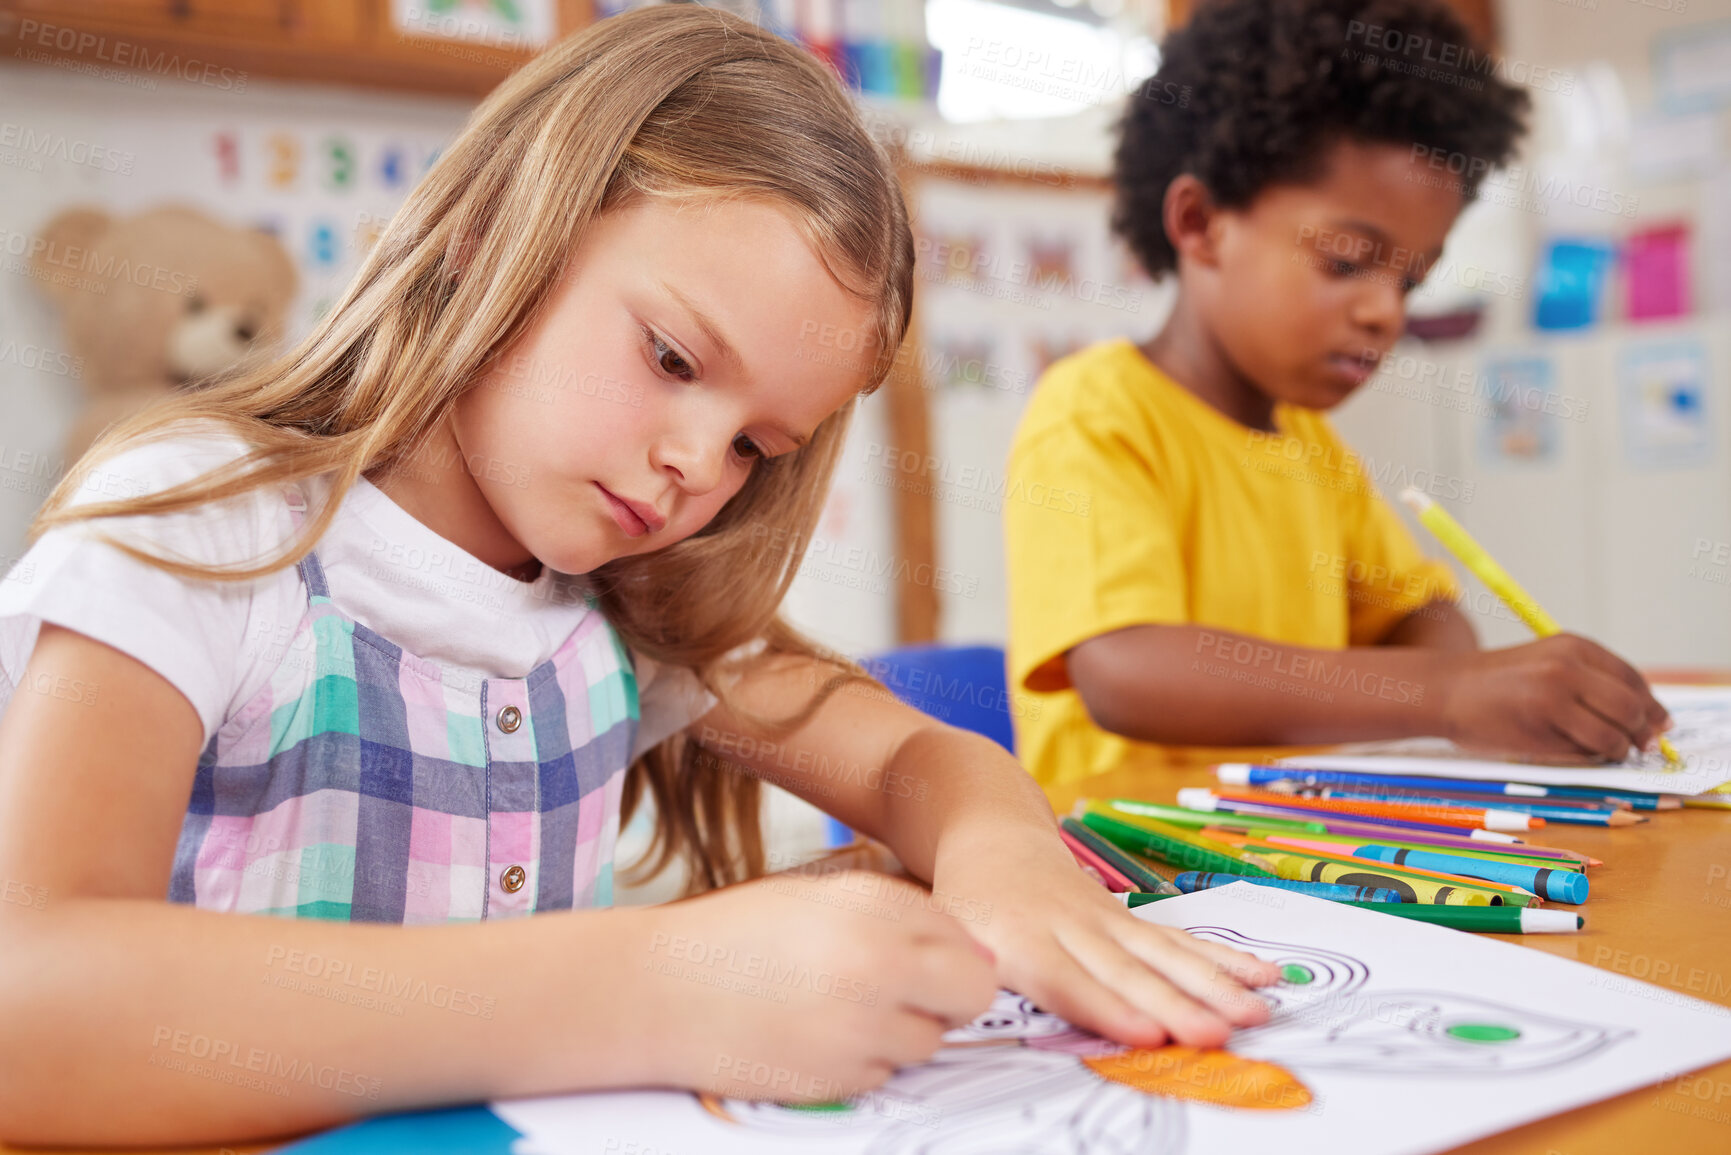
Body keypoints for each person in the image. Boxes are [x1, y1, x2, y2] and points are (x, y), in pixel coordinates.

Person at [0, 8, 1276, 1146]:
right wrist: (660, 982)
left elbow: (913, 764)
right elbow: (30, 1006)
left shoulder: (630, 608)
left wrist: (1004, 857)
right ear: (493, 235)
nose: (691, 468)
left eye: (752, 447)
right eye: (672, 359)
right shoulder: (203, 523)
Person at [1004, 0, 1671, 788]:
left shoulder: (1309, 449)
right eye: (1348, 261)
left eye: (1411, 278)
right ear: (1201, 223)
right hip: (1128, 865)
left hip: (1292, 851)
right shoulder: (1095, 410)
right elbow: (1126, 670)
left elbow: (1422, 617)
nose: (1386, 310)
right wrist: (1444, 696)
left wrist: (1453, 687)